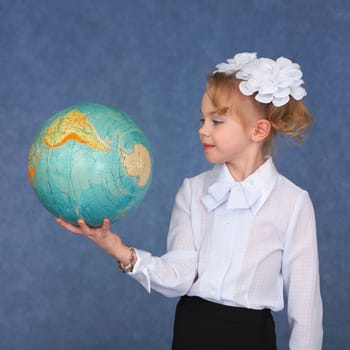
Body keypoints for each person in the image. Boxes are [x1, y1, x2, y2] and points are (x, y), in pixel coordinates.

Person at [56, 52, 323, 349]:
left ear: (258, 130)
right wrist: (116, 248)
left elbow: (306, 308)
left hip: (252, 337)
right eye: (202, 119)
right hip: (193, 330)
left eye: (216, 121)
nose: (202, 129)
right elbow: (179, 277)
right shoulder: (193, 191)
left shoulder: (293, 202)